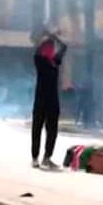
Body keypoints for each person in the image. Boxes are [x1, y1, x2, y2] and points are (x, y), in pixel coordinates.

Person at [31, 30, 67, 169]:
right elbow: (38, 49)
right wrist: (47, 37)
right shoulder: (39, 61)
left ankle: (47, 157)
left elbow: (64, 47)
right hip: (40, 99)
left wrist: (54, 37)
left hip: (53, 100)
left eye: (51, 48)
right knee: (37, 129)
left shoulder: (55, 62)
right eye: (48, 48)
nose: (51, 50)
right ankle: (35, 157)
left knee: (52, 130)